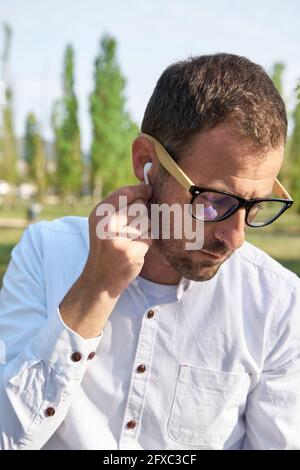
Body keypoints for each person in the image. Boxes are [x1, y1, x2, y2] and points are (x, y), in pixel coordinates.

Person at [0, 53, 299, 450]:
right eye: (214, 201)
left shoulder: (277, 303)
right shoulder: (45, 253)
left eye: (255, 206)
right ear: (147, 163)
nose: (236, 237)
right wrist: (95, 288)